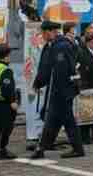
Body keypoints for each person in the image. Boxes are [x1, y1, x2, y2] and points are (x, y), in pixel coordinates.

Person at [30, 21, 86, 160]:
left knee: (59, 118)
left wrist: (39, 83)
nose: (42, 36)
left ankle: (43, 148)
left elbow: (52, 68)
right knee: (55, 118)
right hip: (62, 88)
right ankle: (43, 147)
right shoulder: (60, 44)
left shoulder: (59, 46)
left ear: (50, 32)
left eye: (43, 33)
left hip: (60, 88)